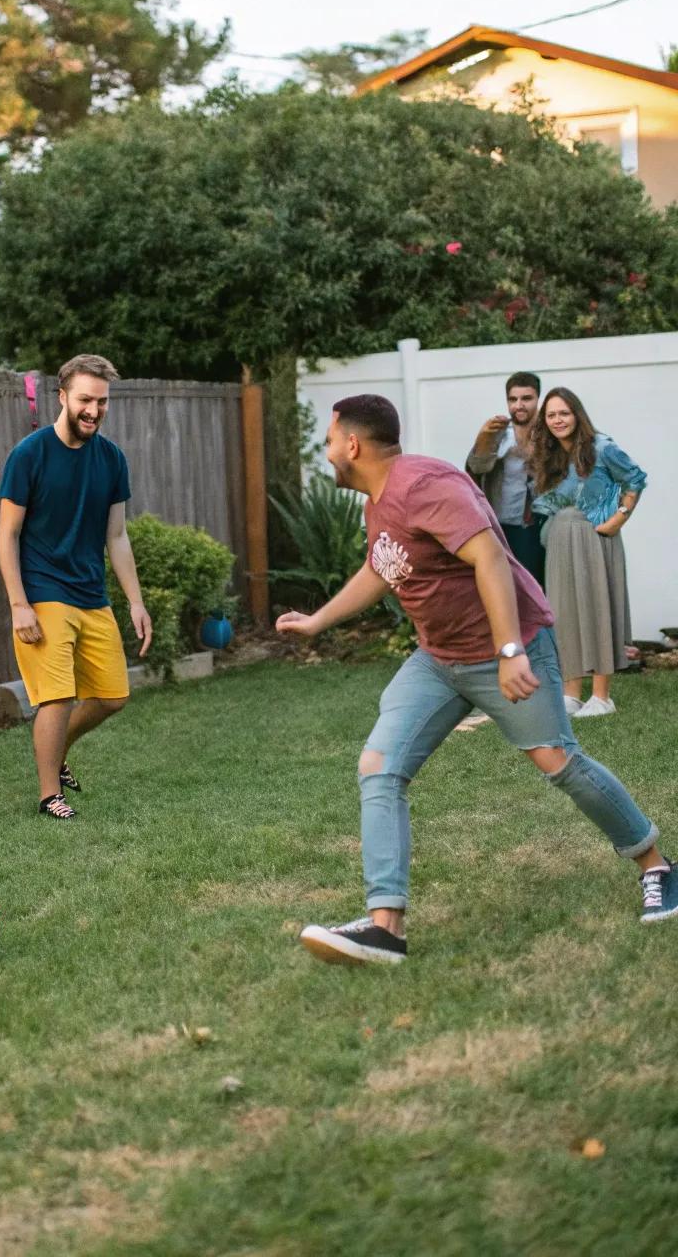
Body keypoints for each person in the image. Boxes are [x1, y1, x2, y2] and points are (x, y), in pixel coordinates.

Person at [276, 393, 675, 967]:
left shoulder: (428, 485)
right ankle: (385, 927)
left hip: (506, 650)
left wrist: (511, 650)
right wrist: (317, 621)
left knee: (559, 761)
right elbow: (380, 566)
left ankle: (657, 865)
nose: (328, 450)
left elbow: (489, 558)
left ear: (354, 445)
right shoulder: (379, 498)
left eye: (331, 439)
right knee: (379, 768)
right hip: (438, 659)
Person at [0, 354, 152, 820]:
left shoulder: (111, 459)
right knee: (57, 695)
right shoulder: (30, 455)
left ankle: (56, 752)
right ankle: (49, 796)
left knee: (112, 696)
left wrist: (136, 601)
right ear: (61, 397)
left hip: (90, 592)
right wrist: (18, 604)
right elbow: (7, 534)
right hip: (42, 591)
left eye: (101, 401)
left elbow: (117, 535)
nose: (94, 410)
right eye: (85, 399)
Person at [530, 388, 646, 719]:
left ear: (577, 414)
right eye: (551, 415)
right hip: (561, 540)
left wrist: (617, 519)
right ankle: (572, 695)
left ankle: (601, 696)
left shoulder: (601, 447)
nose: (557, 420)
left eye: (563, 413)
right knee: (564, 614)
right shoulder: (551, 455)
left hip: (592, 537)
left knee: (596, 609)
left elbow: (635, 480)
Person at [466, 370, 544, 586]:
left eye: (526, 398)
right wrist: (483, 438)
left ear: (538, 399)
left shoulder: (549, 431)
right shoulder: (498, 432)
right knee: (505, 587)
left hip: (537, 526)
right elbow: (475, 468)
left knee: (536, 587)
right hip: (500, 526)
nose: (519, 405)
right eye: (513, 399)